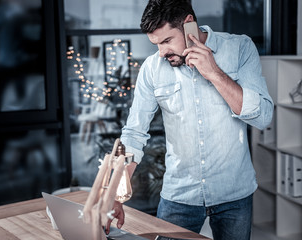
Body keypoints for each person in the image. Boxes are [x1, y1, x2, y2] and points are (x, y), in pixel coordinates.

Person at [105, 0, 274, 239]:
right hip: (179, 195)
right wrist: (115, 193)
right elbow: (133, 134)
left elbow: (263, 117)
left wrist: (213, 72)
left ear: (189, 24)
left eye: (166, 41)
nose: (162, 52)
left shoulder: (240, 48)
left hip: (234, 193)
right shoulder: (152, 68)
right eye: (156, 44)